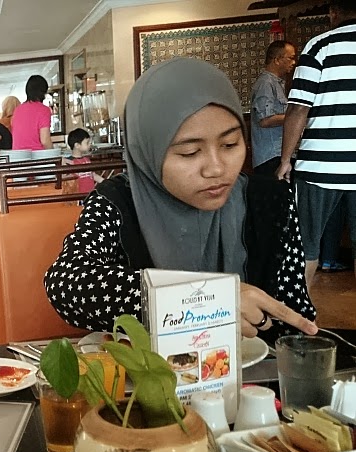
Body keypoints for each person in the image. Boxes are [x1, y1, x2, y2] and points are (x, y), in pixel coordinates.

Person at [44, 58, 317, 342]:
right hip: (145, 369)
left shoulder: (271, 201)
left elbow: (294, 319)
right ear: (147, 149)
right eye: (190, 152)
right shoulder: (116, 201)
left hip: (254, 368)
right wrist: (208, 300)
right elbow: (66, 282)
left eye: (230, 144)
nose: (216, 169)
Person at [277, 0, 356, 287]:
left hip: (320, 167)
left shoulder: (319, 46)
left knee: (306, 247)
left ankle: (300, 311)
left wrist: (285, 160)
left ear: (333, 12)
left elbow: (299, 108)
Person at [250, 40, 297, 176]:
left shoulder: (276, 83)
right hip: (271, 156)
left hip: (279, 154)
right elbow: (265, 120)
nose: (294, 63)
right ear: (277, 60)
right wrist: (295, 117)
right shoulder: (266, 83)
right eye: (290, 58)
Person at [10, 75, 52, 151]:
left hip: (18, 155)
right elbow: (45, 140)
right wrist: (54, 153)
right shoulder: (44, 110)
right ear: (43, 91)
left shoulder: (17, 110)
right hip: (37, 155)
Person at [63, 128, 103, 194]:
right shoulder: (68, 162)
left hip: (90, 193)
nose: (90, 144)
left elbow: (92, 175)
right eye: (87, 142)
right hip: (77, 195)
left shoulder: (87, 159)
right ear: (77, 145)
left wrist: (105, 182)